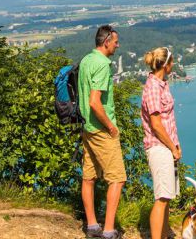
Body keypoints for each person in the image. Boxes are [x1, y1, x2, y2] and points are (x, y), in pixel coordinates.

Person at [78, 25, 125, 239]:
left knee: (89, 176)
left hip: (87, 127)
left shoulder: (87, 60)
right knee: (117, 178)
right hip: (100, 130)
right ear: (106, 41)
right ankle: (108, 230)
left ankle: (92, 226)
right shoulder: (102, 65)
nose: (118, 45)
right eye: (115, 41)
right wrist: (111, 127)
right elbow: (95, 102)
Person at [141, 47, 181, 239]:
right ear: (166, 65)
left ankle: (165, 235)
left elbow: (167, 120)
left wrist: (176, 144)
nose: (173, 65)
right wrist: (172, 147)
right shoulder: (153, 88)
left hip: (167, 146)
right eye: (172, 62)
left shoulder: (162, 84)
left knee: (167, 196)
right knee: (161, 198)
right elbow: (156, 125)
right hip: (159, 147)